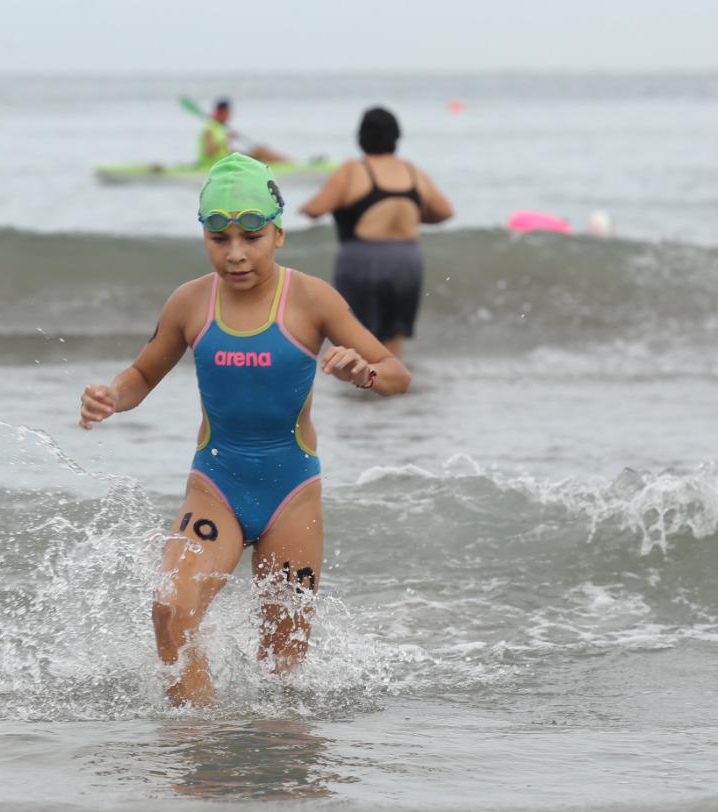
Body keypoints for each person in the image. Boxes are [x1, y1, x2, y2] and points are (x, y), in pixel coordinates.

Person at [78, 153, 410, 706]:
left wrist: (365, 372)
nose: (235, 253)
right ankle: (197, 737)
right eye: (219, 237)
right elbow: (142, 375)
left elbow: (397, 374)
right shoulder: (190, 302)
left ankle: (268, 746)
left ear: (278, 234)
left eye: (251, 237)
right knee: (170, 609)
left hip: (293, 496)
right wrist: (112, 396)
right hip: (216, 486)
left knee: (284, 670)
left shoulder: (312, 299)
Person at [300, 107, 454, 360]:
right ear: (396, 137)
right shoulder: (412, 172)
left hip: (363, 260)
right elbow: (445, 212)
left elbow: (316, 209)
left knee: (357, 337)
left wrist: (302, 207)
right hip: (407, 261)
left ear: (361, 136)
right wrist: (410, 214)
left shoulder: (352, 170)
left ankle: (364, 385)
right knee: (395, 337)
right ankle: (392, 382)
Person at [199, 99, 286, 168]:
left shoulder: (220, 128)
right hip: (217, 164)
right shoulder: (210, 129)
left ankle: (286, 163)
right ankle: (287, 165)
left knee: (261, 149)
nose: (229, 116)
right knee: (261, 152)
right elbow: (209, 153)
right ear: (222, 112)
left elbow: (226, 151)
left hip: (226, 160)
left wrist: (240, 153)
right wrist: (227, 139)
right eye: (228, 113)